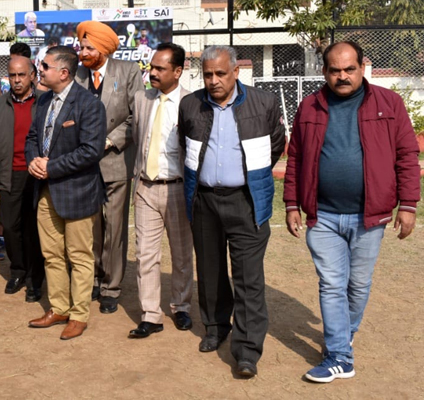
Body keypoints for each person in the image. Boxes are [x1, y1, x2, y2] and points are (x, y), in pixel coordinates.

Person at [284, 41, 420, 383]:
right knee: (331, 284)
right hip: (323, 216)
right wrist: (290, 204)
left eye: (349, 69)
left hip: (369, 216)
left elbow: (406, 156)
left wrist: (408, 205)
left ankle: (344, 333)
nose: (342, 76)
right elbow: (295, 158)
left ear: (363, 67)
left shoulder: (389, 104)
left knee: (358, 284)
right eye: (334, 70)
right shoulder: (310, 106)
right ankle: (340, 355)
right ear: (324, 71)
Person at [177, 45, 284, 378]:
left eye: (220, 73)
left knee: (248, 278)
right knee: (209, 270)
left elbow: (276, 145)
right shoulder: (190, 105)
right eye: (207, 74)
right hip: (204, 200)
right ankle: (215, 326)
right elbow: (185, 144)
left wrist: (247, 178)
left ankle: (247, 349)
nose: (213, 80)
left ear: (236, 72)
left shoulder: (263, 103)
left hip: (247, 201)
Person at [26, 45, 106, 340]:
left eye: (44, 66)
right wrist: (34, 160)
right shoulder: (43, 100)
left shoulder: (89, 104)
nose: (40, 70)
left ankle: (79, 315)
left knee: (80, 256)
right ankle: (58, 307)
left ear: (62, 72)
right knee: (52, 255)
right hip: (45, 192)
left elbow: (91, 150)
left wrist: (52, 167)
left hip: (77, 192)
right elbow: (33, 137)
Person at [75, 20, 143, 314]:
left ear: (103, 49)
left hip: (115, 163)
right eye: (82, 46)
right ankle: (89, 280)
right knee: (88, 227)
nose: (83, 51)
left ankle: (110, 288)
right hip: (82, 166)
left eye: (89, 47)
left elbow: (135, 117)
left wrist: (108, 141)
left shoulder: (128, 72)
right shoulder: (75, 74)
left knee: (114, 229)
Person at [128, 43, 194, 339]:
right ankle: (151, 314)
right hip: (144, 187)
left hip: (178, 190)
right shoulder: (141, 99)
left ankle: (181, 307)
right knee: (146, 255)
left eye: (159, 68)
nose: (152, 73)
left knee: (181, 254)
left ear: (178, 71)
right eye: (151, 67)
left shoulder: (191, 103)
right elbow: (136, 136)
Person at [0, 56, 45, 301]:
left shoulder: (45, 102)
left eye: (22, 75)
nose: (17, 80)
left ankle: (34, 279)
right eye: (12, 75)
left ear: (32, 75)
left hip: (37, 174)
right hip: (9, 174)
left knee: (34, 229)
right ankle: (17, 271)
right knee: (10, 228)